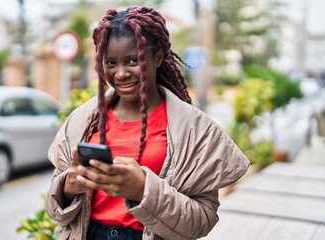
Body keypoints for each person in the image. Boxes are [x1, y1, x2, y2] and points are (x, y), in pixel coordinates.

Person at [44, 6, 250, 240]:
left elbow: (201, 221)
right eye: (110, 63)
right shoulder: (83, 120)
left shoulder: (193, 129)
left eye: (133, 60)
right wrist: (69, 187)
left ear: (159, 57)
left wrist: (143, 190)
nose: (120, 74)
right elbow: (55, 213)